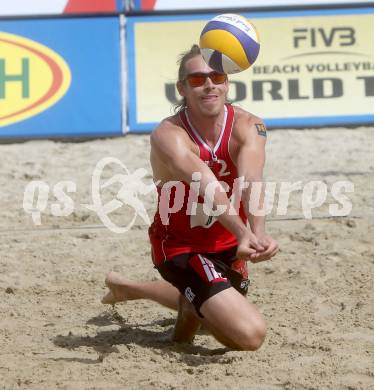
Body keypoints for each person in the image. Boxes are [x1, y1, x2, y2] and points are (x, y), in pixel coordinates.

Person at [102, 44, 278, 351]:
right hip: (180, 245)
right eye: (197, 79)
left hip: (228, 246)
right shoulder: (168, 134)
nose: (209, 84)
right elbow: (206, 184)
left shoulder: (251, 126)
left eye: (216, 76)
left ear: (227, 82)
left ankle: (130, 288)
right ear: (181, 88)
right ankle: (186, 313)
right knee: (248, 335)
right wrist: (244, 233)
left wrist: (259, 234)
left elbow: (252, 178)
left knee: (213, 298)